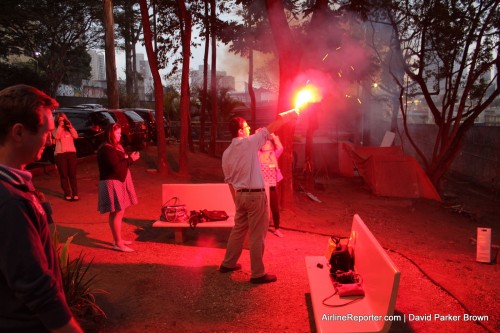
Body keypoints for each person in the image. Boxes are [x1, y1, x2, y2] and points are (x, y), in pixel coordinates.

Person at [0, 84, 83, 332]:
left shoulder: (17, 185)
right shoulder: (10, 201)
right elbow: (34, 285)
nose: (49, 140)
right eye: (46, 132)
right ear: (18, 133)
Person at [219, 110, 298, 284]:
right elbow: (269, 129)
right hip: (255, 196)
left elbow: (229, 181)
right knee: (257, 235)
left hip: (240, 196)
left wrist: (237, 200)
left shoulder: (226, 153)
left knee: (238, 230)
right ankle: (258, 274)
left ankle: (228, 263)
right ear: (240, 131)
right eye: (246, 126)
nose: (249, 129)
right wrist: (290, 115)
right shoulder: (248, 143)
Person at [97, 123, 140, 252]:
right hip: (111, 182)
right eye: (117, 133)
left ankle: (118, 239)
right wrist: (130, 159)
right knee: (118, 211)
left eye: (120, 133)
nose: (120, 135)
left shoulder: (115, 147)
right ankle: (118, 243)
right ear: (110, 134)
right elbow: (116, 167)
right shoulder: (106, 149)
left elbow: (121, 161)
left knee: (116, 211)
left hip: (117, 181)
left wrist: (128, 158)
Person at [257, 131, 285, 237]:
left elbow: (280, 148)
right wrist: (258, 135)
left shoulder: (274, 154)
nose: (266, 144)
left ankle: (277, 228)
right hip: (261, 186)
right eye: (264, 143)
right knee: (260, 208)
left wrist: (274, 137)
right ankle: (260, 228)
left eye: (268, 143)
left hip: (272, 186)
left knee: (275, 208)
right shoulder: (258, 154)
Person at [53, 112, 79, 201]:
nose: (62, 121)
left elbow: (76, 136)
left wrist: (70, 126)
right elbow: (56, 136)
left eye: (63, 119)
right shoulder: (55, 128)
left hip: (71, 153)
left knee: (72, 174)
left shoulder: (69, 128)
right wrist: (60, 126)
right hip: (60, 154)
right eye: (60, 120)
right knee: (64, 174)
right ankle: (67, 193)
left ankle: (75, 193)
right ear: (57, 120)